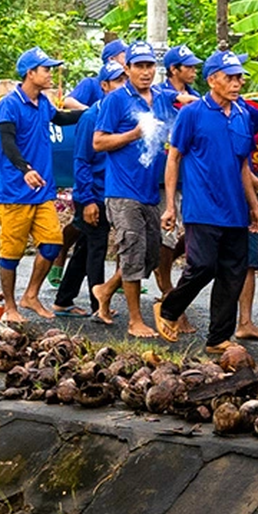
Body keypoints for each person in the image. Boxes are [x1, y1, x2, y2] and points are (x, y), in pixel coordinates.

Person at [158, 51, 258, 354]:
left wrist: (254, 204)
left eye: (239, 77)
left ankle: (218, 338)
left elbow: (243, 165)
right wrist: (170, 206)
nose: (237, 82)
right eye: (229, 77)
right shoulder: (193, 113)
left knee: (233, 273)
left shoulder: (242, 114)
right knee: (202, 266)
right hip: (202, 206)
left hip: (235, 210)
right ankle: (169, 308)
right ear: (212, 79)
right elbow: (174, 157)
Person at [90, 42, 180, 338]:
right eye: (139, 66)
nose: (145, 71)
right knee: (132, 253)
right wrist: (132, 134)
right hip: (122, 190)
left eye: (150, 65)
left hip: (150, 192)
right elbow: (98, 143)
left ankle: (104, 290)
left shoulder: (162, 98)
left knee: (151, 257)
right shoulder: (116, 100)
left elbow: (185, 99)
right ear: (126, 69)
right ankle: (135, 320)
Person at [0, 48, 66, 321]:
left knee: (51, 244)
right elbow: (8, 142)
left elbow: (59, 118)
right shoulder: (10, 104)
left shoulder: (43, 102)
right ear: (30, 73)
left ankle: (31, 295)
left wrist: (93, 111)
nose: (50, 74)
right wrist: (25, 169)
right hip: (15, 191)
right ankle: (9, 307)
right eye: (45, 69)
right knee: (11, 254)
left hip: (43, 190)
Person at [56, 62, 123, 318]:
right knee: (96, 247)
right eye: (117, 81)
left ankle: (63, 299)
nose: (122, 86)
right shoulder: (91, 117)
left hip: (109, 190)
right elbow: (81, 161)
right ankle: (99, 305)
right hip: (92, 193)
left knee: (85, 246)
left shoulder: (121, 115)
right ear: (104, 86)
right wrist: (88, 199)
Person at [66, 41, 126, 110]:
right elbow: (68, 101)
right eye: (125, 57)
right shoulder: (91, 83)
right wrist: (92, 112)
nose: (129, 61)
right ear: (112, 59)